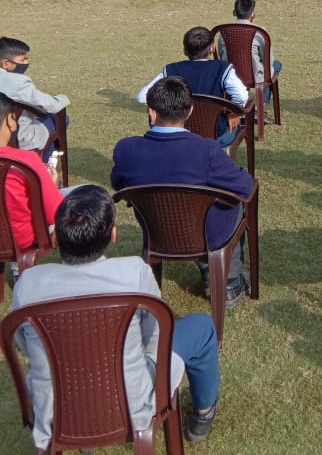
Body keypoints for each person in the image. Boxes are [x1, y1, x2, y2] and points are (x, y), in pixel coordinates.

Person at [13, 185, 222, 447]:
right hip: (132, 403)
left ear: (57, 238)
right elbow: (155, 337)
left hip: (55, 409)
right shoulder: (134, 274)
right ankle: (203, 414)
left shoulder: (28, 284)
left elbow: (23, 343)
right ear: (113, 234)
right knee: (202, 327)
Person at [115, 76, 254, 307]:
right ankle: (229, 282)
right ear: (190, 111)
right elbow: (245, 186)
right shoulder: (207, 150)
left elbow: (119, 184)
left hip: (155, 226)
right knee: (236, 203)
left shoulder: (126, 150)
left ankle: (213, 272)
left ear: (151, 113)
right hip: (204, 233)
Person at [137, 26, 248, 148]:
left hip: (177, 132)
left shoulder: (171, 70)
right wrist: (232, 113)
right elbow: (241, 96)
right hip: (216, 133)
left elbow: (142, 97)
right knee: (235, 125)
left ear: (185, 50)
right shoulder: (223, 68)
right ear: (213, 48)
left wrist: (164, 111)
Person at [0, 90, 63, 254]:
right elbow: (55, 213)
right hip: (20, 239)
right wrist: (52, 185)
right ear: (11, 120)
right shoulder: (27, 160)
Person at [0, 36, 69, 159]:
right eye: (23, 59)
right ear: (5, 63)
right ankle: (44, 163)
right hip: (15, 136)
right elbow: (50, 105)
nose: (27, 63)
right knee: (61, 118)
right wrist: (62, 98)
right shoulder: (18, 83)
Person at [216, 0, 282, 97]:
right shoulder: (260, 32)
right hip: (255, 77)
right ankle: (262, 104)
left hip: (230, 75)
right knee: (276, 65)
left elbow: (221, 55)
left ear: (234, 12)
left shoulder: (224, 32)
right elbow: (268, 60)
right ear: (253, 15)